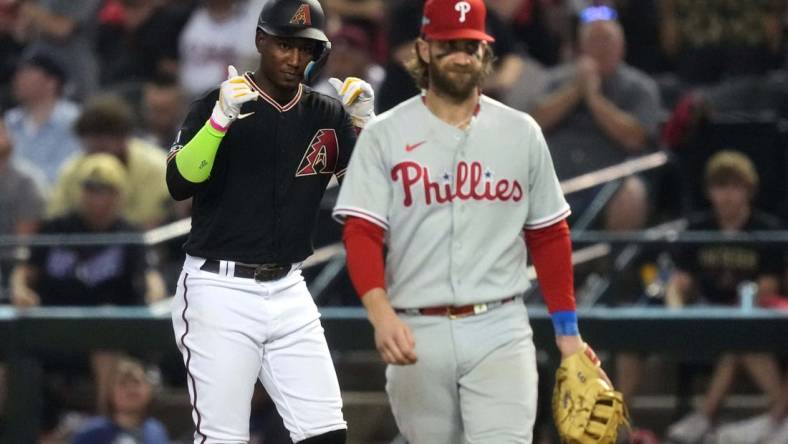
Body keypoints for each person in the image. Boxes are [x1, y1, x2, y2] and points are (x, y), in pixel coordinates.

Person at [333, 0, 611, 442]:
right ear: (424, 50)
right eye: (449, 46)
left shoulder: (521, 132)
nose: (462, 56)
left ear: (485, 53)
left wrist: (568, 333)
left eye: (471, 46)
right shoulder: (384, 134)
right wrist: (380, 312)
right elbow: (362, 232)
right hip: (415, 328)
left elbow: (549, 234)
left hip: (500, 324)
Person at [165, 0, 374, 442]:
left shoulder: (326, 114)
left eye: (306, 49)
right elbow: (180, 183)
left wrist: (366, 132)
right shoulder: (216, 103)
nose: (295, 59)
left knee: (327, 433)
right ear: (261, 40)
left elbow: (367, 196)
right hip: (218, 287)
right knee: (223, 438)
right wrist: (219, 122)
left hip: (289, 288)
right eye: (284, 45)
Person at [664, 150, 785, 443]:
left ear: (749, 190)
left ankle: (707, 416)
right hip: (706, 318)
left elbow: (768, 286)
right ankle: (777, 418)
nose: (728, 195)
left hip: (755, 319)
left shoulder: (766, 230)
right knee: (735, 335)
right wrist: (677, 305)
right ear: (709, 191)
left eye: (735, 187)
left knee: (741, 337)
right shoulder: (697, 229)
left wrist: (738, 313)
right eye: (720, 187)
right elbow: (681, 281)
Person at [529, 6, 661, 231]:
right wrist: (575, 90)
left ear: (622, 45)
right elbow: (533, 123)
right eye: (594, 41)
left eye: (607, 40)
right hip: (556, 182)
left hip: (610, 184)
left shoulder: (640, 87)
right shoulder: (557, 80)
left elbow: (635, 137)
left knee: (633, 194)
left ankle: (614, 264)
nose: (601, 48)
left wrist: (594, 99)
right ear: (581, 48)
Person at [48, 95, 171, 229]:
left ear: (124, 138)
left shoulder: (157, 168)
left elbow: (154, 222)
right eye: (92, 147)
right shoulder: (71, 170)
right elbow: (55, 220)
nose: (100, 156)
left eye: (105, 146)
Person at [4, 52, 81, 185]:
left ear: (51, 82)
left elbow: (71, 168)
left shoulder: (74, 121)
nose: (18, 78)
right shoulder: (9, 122)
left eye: (27, 73)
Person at [71, 356, 170, 444]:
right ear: (110, 392)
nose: (131, 389)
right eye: (123, 383)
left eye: (136, 382)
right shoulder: (90, 433)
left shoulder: (156, 430)